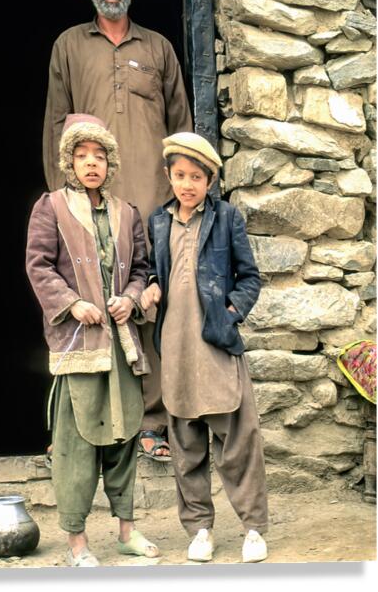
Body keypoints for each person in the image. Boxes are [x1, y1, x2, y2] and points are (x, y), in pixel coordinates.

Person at [43, 0, 192, 459]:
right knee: (93, 305)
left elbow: (181, 129)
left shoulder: (157, 49)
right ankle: (98, 424)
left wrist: (184, 201)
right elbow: (56, 127)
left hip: (154, 203)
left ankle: (155, 420)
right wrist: (61, 206)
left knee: (155, 306)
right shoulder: (69, 45)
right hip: (93, 207)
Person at [26, 113, 159, 566]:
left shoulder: (128, 214)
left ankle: (126, 531)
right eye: (81, 156)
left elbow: (142, 269)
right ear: (69, 162)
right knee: (77, 444)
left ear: (109, 163)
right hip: (78, 346)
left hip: (121, 346)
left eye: (98, 156)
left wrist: (131, 298)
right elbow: (39, 265)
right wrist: (70, 303)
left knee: (124, 438)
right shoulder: (52, 207)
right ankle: (77, 542)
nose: (90, 164)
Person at [141, 132, 269, 564]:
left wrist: (231, 310)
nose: (187, 184)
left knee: (237, 440)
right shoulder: (159, 222)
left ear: (210, 180)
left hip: (215, 345)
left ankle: (253, 527)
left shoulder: (226, 218)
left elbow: (250, 278)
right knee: (186, 445)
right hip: (175, 349)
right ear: (168, 176)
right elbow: (153, 272)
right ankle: (200, 529)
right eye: (179, 175)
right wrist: (152, 289)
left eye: (196, 176)